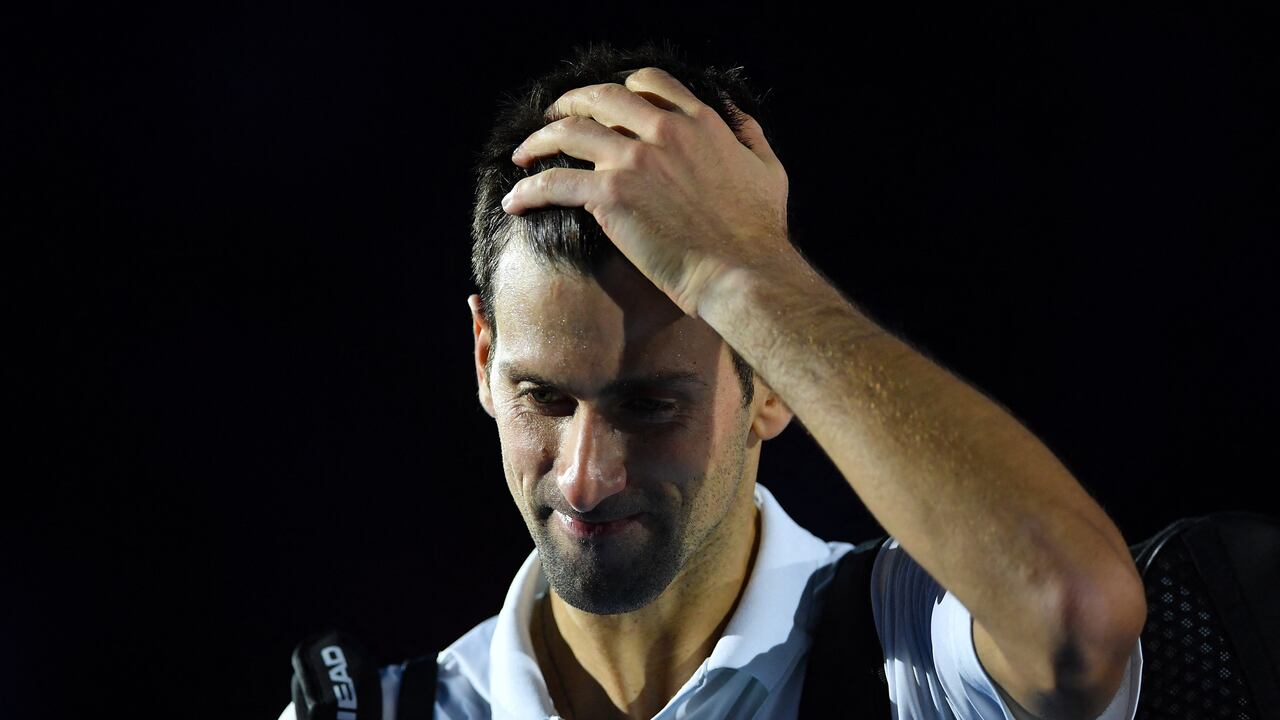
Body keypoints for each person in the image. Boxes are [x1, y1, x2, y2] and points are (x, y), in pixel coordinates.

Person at [280, 39, 1146, 719]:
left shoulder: (911, 655)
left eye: (650, 404)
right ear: (481, 356)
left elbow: (1078, 617)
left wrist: (748, 273)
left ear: (773, 384)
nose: (583, 476)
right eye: (542, 397)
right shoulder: (375, 711)